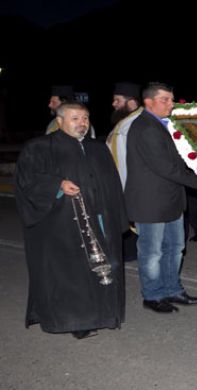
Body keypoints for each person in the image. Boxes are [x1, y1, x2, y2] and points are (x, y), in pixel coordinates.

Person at [15, 101, 128, 339]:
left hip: (99, 219)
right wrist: (57, 185)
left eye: (85, 118)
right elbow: (27, 182)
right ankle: (77, 321)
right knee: (72, 274)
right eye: (75, 118)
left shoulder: (97, 148)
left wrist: (118, 218)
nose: (82, 123)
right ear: (60, 121)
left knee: (104, 267)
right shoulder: (39, 148)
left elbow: (113, 185)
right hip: (62, 225)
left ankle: (104, 314)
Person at [124, 82, 197, 313]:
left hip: (170, 199)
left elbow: (180, 160)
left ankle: (172, 289)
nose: (171, 104)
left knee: (175, 247)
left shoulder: (163, 125)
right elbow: (165, 168)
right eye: (165, 100)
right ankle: (152, 295)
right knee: (152, 252)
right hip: (151, 203)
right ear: (148, 102)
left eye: (171, 99)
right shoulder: (146, 128)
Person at [105, 82, 142, 263]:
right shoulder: (124, 123)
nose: (114, 104)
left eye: (117, 100)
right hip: (119, 182)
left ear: (132, 102)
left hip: (133, 184)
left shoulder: (138, 123)